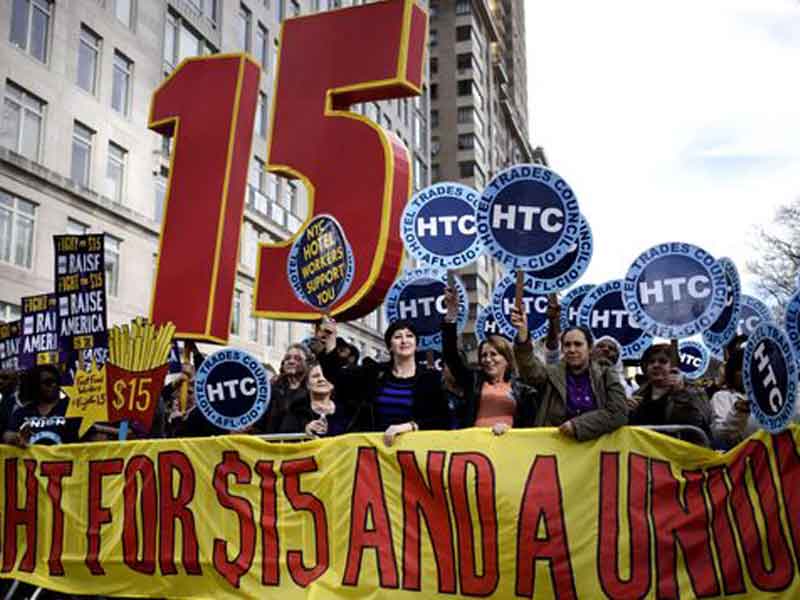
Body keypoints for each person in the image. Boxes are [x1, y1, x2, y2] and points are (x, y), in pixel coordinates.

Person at [319, 318, 449, 445]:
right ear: (390, 346)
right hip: (376, 450)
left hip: (413, 450)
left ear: (416, 344)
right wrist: (331, 341)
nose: (404, 341)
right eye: (398, 337)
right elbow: (337, 377)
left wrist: (410, 426)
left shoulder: (430, 378)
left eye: (409, 336)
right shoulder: (374, 373)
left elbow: (442, 419)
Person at [511, 305, 628, 441]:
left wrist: (577, 426)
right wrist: (523, 334)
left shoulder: (606, 374)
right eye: (567, 345)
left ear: (590, 348)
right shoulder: (551, 374)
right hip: (553, 447)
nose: (572, 349)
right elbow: (530, 369)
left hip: (595, 448)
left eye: (578, 344)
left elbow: (618, 412)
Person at [443, 288, 539, 433]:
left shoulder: (523, 390)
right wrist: (451, 315)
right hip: (474, 445)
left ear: (507, 358)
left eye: (493, 354)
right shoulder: (473, 382)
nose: (488, 359)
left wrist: (511, 431)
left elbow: (529, 428)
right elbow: (451, 356)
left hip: (508, 444)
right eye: (483, 355)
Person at [627, 343, 711, 442]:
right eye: (651, 362)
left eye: (662, 361)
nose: (655, 365)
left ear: (674, 367)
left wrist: (680, 393)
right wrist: (626, 411)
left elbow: (697, 426)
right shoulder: (638, 394)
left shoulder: (695, 392)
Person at [4, 365, 90, 446]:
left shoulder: (72, 409)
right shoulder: (23, 412)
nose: (53, 385)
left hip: (66, 456)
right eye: (47, 382)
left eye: (55, 382)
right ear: (36, 385)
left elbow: (90, 435)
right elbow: (7, 434)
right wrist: (16, 438)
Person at [279, 361, 347, 437]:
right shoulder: (296, 409)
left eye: (326, 375)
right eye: (315, 376)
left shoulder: (346, 410)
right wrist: (305, 430)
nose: (322, 379)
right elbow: (284, 436)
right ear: (307, 384)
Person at [255, 343, 311, 433]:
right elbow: (260, 421)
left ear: (307, 363)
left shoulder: (313, 390)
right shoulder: (271, 389)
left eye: (298, 358)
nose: (291, 361)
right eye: (287, 358)